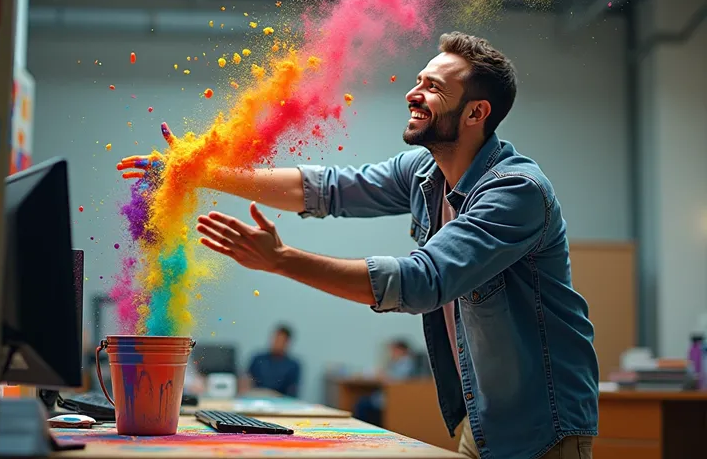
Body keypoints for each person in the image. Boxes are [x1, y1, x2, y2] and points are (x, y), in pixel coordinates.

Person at [118, 32, 598, 459]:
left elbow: (421, 281)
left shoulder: (516, 192)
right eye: (419, 79)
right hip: (481, 423)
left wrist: (281, 261)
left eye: (434, 88)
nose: (414, 93)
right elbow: (324, 189)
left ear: (476, 113)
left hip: (543, 431)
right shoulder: (424, 173)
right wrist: (200, 172)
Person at [354, 339, 417, 426]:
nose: (391, 353)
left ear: (401, 350)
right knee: (363, 400)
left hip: (396, 397)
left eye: (394, 350)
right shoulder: (395, 362)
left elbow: (399, 381)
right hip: (387, 395)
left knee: (363, 404)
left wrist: (383, 377)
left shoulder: (406, 363)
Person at [241, 324, 301, 397]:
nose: (277, 343)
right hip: (255, 398)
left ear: (287, 343)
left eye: (281, 340)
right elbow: (246, 382)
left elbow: (292, 393)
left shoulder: (293, 365)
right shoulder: (258, 359)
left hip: (280, 402)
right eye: (276, 339)